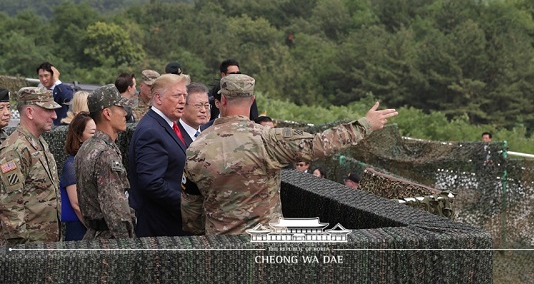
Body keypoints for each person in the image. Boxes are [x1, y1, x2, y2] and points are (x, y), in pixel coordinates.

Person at [181, 74, 398, 235]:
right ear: (252, 99)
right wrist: (366, 124)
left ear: (223, 101)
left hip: (220, 246)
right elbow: (320, 143)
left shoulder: (196, 147)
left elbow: (191, 210)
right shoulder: (270, 138)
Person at [129, 74, 193, 237]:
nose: (182, 101)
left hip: (171, 223)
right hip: (160, 228)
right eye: (177, 95)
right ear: (158, 98)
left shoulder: (169, 125)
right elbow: (152, 184)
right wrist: (189, 205)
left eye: (184, 95)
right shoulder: (151, 131)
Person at [0, 87, 62, 245]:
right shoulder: (14, 150)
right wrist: (23, 252)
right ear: (30, 112)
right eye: (48, 110)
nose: (54, 116)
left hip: (46, 244)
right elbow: (10, 206)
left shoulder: (39, 142)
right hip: (29, 250)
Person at [75, 84, 136, 239]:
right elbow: (116, 212)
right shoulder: (105, 154)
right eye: (121, 108)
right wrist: (128, 244)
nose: (126, 114)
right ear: (107, 113)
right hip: (109, 240)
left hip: (95, 236)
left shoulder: (88, 146)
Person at [60, 112, 96, 241]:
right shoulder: (72, 164)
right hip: (81, 230)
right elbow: (76, 204)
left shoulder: (96, 160)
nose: (98, 137)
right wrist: (95, 231)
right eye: (93, 133)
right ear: (80, 137)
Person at [36, 62, 74, 126]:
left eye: (46, 75)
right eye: (41, 76)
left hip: (60, 127)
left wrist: (56, 79)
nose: (43, 79)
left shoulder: (64, 88)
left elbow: (67, 98)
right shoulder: (38, 91)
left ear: (53, 75)